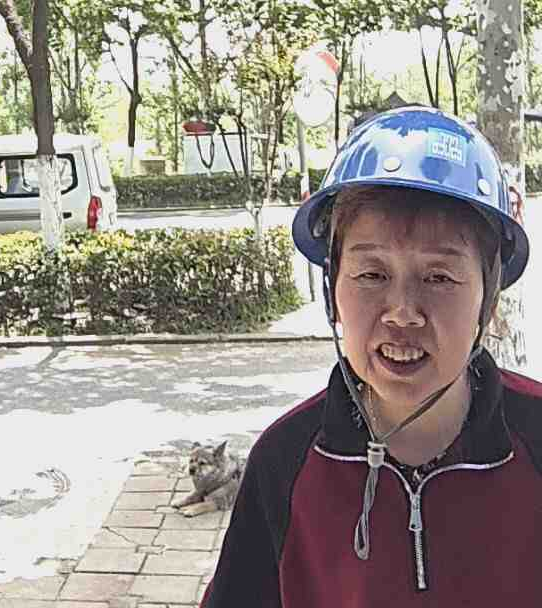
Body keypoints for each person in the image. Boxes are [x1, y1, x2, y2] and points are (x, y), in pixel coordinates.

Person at [199, 106, 542, 607]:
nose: (403, 312)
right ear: (332, 291)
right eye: (372, 275)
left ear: (488, 301)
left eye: (439, 277)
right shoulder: (284, 461)